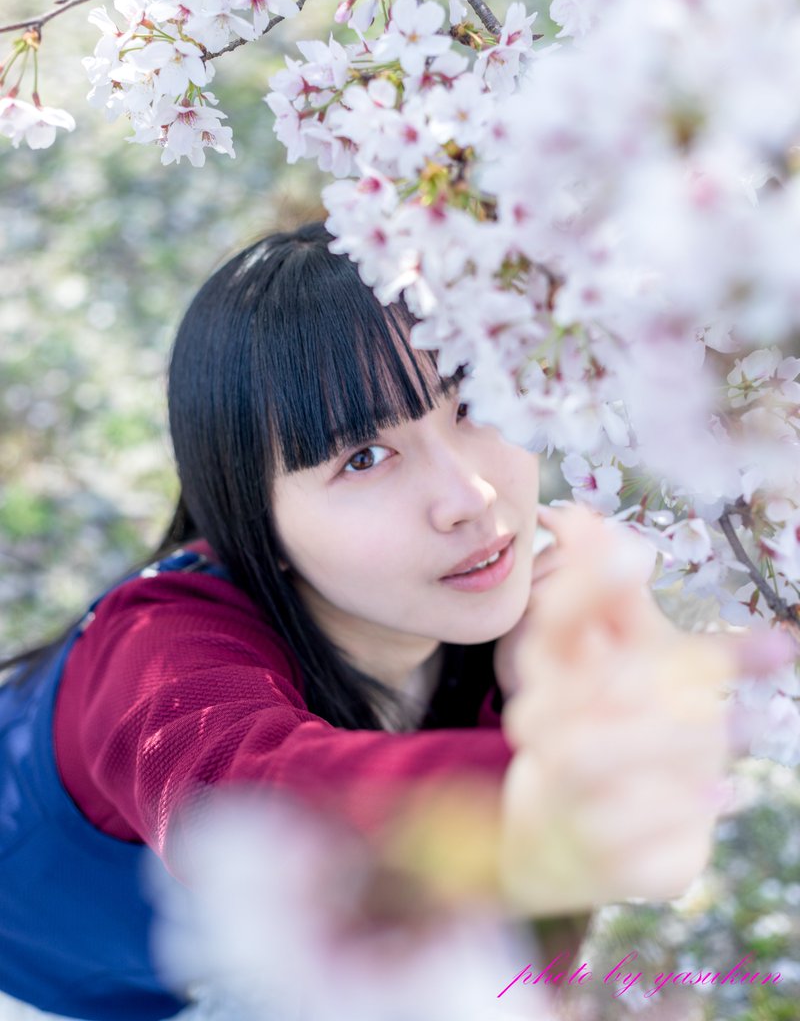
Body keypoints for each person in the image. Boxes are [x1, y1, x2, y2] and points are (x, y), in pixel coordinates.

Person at [0, 219, 729, 1021]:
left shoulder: (512, 594)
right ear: (256, 522)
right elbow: (243, 798)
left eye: (472, 406)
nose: (470, 499)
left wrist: (552, 700)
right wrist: (545, 796)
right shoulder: (154, 648)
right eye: (363, 458)